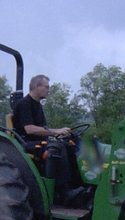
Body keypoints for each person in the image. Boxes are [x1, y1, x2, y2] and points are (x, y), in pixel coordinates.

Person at [13, 74, 83, 205]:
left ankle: (78, 186)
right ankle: (64, 191)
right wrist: (56, 131)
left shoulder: (37, 105)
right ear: (36, 86)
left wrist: (60, 134)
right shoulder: (24, 104)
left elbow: (43, 129)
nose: (48, 90)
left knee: (71, 143)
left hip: (40, 141)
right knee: (56, 147)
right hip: (27, 143)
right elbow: (29, 129)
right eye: (46, 87)